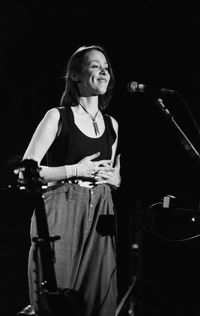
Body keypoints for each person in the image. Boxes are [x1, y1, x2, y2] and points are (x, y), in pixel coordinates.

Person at [18, 44, 121, 316]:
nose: (103, 71)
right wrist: (75, 170)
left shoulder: (112, 124)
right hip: (62, 207)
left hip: (101, 209)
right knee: (56, 298)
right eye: (95, 66)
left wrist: (116, 179)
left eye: (106, 67)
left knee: (100, 299)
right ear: (75, 76)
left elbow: (109, 173)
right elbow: (24, 172)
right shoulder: (58, 116)